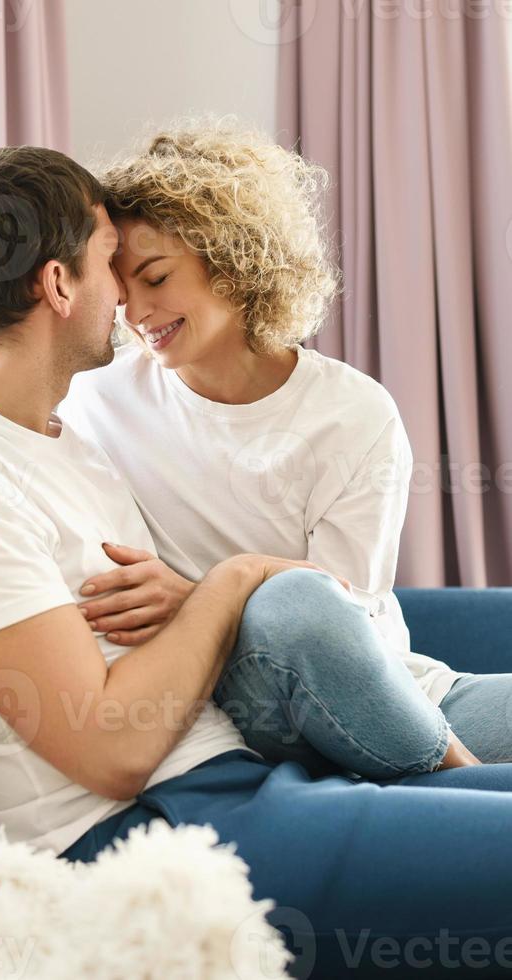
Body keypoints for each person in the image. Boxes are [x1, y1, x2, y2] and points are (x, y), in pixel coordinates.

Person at [0, 145, 511, 979]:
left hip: (244, 778)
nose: (124, 298)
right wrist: (237, 579)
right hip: (159, 830)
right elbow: (107, 749)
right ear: (60, 286)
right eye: (109, 265)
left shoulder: (59, 444)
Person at [65, 116, 511, 773]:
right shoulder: (101, 397)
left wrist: (196, 595)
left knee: (308, 604)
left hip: (389, 689)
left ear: (234, 259)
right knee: (293, 601)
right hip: (249, 693)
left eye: (157, 279)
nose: (137, 314)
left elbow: (346, 613)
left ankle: (438, 780)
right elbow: (302, 613)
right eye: (123, 291)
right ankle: (468, 799)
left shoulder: (355, 415)